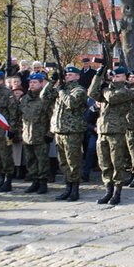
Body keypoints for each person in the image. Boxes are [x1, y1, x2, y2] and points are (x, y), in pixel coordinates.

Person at [88, 66, 134, 205]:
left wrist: (104, 87)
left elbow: (112, 98)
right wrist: (98, 76)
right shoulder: (107, 89)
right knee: (104, 163)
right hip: (102, 130)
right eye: (113, 76)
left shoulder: (126, 91)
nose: (115, 79)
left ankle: (117, 192)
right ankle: (108, 190)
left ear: (125, 78)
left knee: (117, 163)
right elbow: (91, 93)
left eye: (118, 76)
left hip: (117, 131)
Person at [42, 65, 88, 201]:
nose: (67, 76)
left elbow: (71, 103)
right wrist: (52, 81)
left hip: (72, 131)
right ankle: (67, 187)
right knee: (63, 162)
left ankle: (75, 189)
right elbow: (44, 96)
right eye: (66, 74)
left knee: (73, 161)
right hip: (59, 130)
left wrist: (61, 91)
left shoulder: (79, 90)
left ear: (77, 76)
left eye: (70, 74)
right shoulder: (61, 89)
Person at [19, 73, 53, 194]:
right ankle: (34, 182)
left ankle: (43, 183)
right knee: (30, 161)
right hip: (27, 135)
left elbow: (51, 117)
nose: (32, 84)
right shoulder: (24, 99)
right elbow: (20, 117)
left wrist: (50, 134)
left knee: (42, 161)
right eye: (30, 82)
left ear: (41, 83)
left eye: (35, 82)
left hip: (41, 135)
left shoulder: (45, 98)